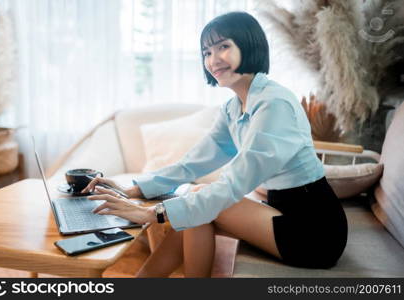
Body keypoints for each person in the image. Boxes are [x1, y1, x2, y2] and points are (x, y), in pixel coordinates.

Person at [82, 11, 348, 277]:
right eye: (207, 52)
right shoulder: (233, 108)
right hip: (280, 213)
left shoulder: (274, 104)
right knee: (197, 202)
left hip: (314, 232)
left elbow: (235, 183)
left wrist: (152, 213)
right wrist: (134, 189)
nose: (213, 59)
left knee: (199, 200)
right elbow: (192, 163)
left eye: (223, 47)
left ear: (249, 46)